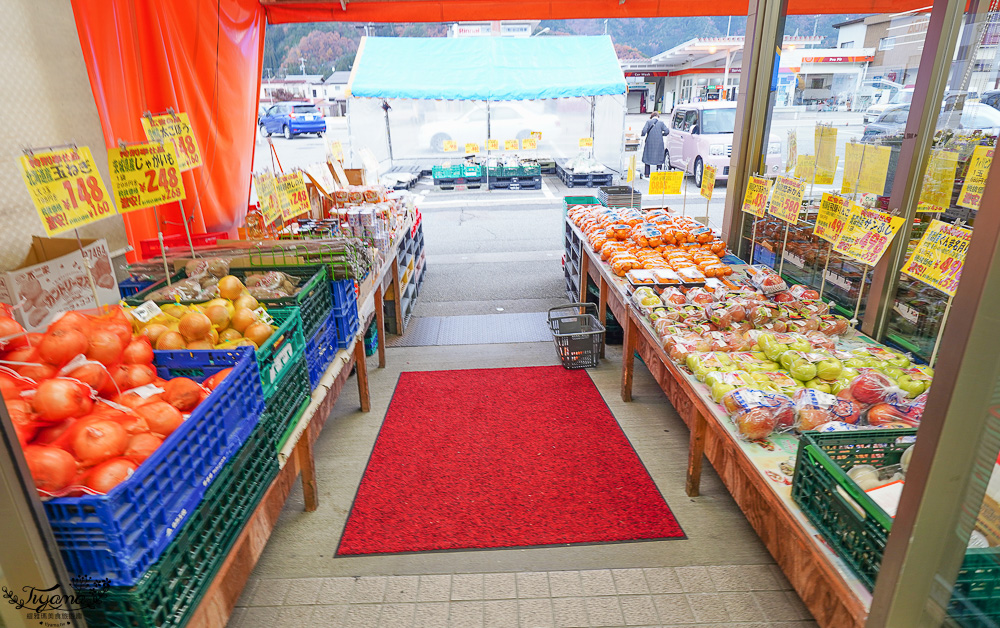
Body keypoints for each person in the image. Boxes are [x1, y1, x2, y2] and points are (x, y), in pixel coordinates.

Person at [640, 112, 669, 178]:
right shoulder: (661, 123)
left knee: (647, 157)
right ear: (658, 116)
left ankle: (647, 174)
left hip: (649, 142)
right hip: (659, 143)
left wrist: (642, 135)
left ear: (652, 116)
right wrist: (662, 134)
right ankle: (658, 172)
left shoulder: (648, 122)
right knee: (659, 157)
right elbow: (667, 131)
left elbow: (644, 131)